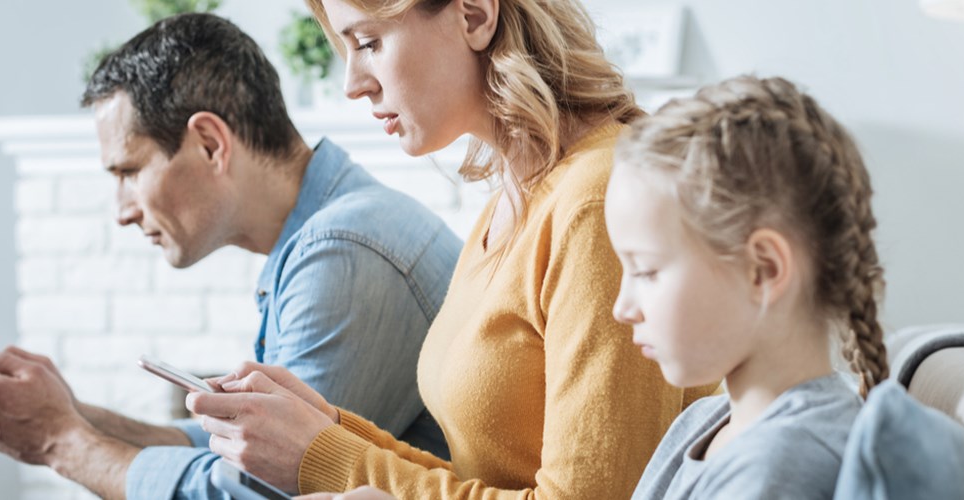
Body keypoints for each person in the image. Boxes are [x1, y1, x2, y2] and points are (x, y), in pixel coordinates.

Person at [182, 0, 718, 498]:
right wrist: (325, 427)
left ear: (474, 14)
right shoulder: (510, 201)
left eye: (368, 42)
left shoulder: (596, 201)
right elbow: (479, 479)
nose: (353, 83)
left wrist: (323, 456)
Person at [0, 13, 460, 499]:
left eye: (128, 172)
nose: (121, 211)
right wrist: (70, 411)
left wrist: (59, 441)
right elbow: (235, 443)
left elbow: (249, 489)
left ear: (210, 143)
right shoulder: (327, 233)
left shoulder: (342, 253)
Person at [611, 75, 889, 499]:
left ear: (763, 269)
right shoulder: (705, 420)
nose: (622, 307)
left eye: (646, 271)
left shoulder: (784, 466)